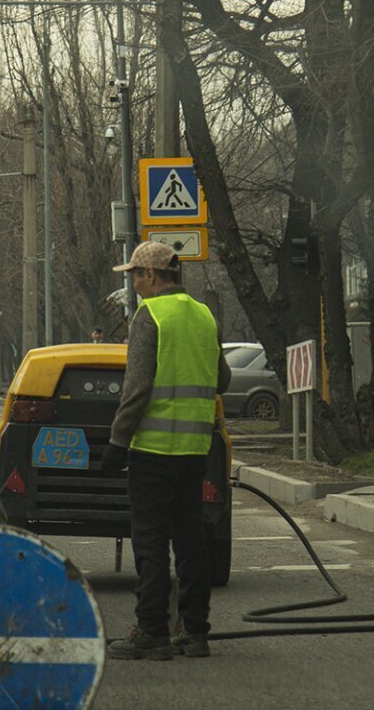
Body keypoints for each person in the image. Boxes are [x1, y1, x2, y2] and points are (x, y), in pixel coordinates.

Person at [102, 241, 231, 660]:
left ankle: (152, 630)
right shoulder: (203, 315)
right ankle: (195, 632)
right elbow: (222, 379)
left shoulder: (150, 315)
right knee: (191, 541)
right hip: (194, 450)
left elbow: (136, 388)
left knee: (151, 542)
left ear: (153, 276)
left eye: (136, 275)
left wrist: (117, 443)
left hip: (153, 451)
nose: (134, 283)